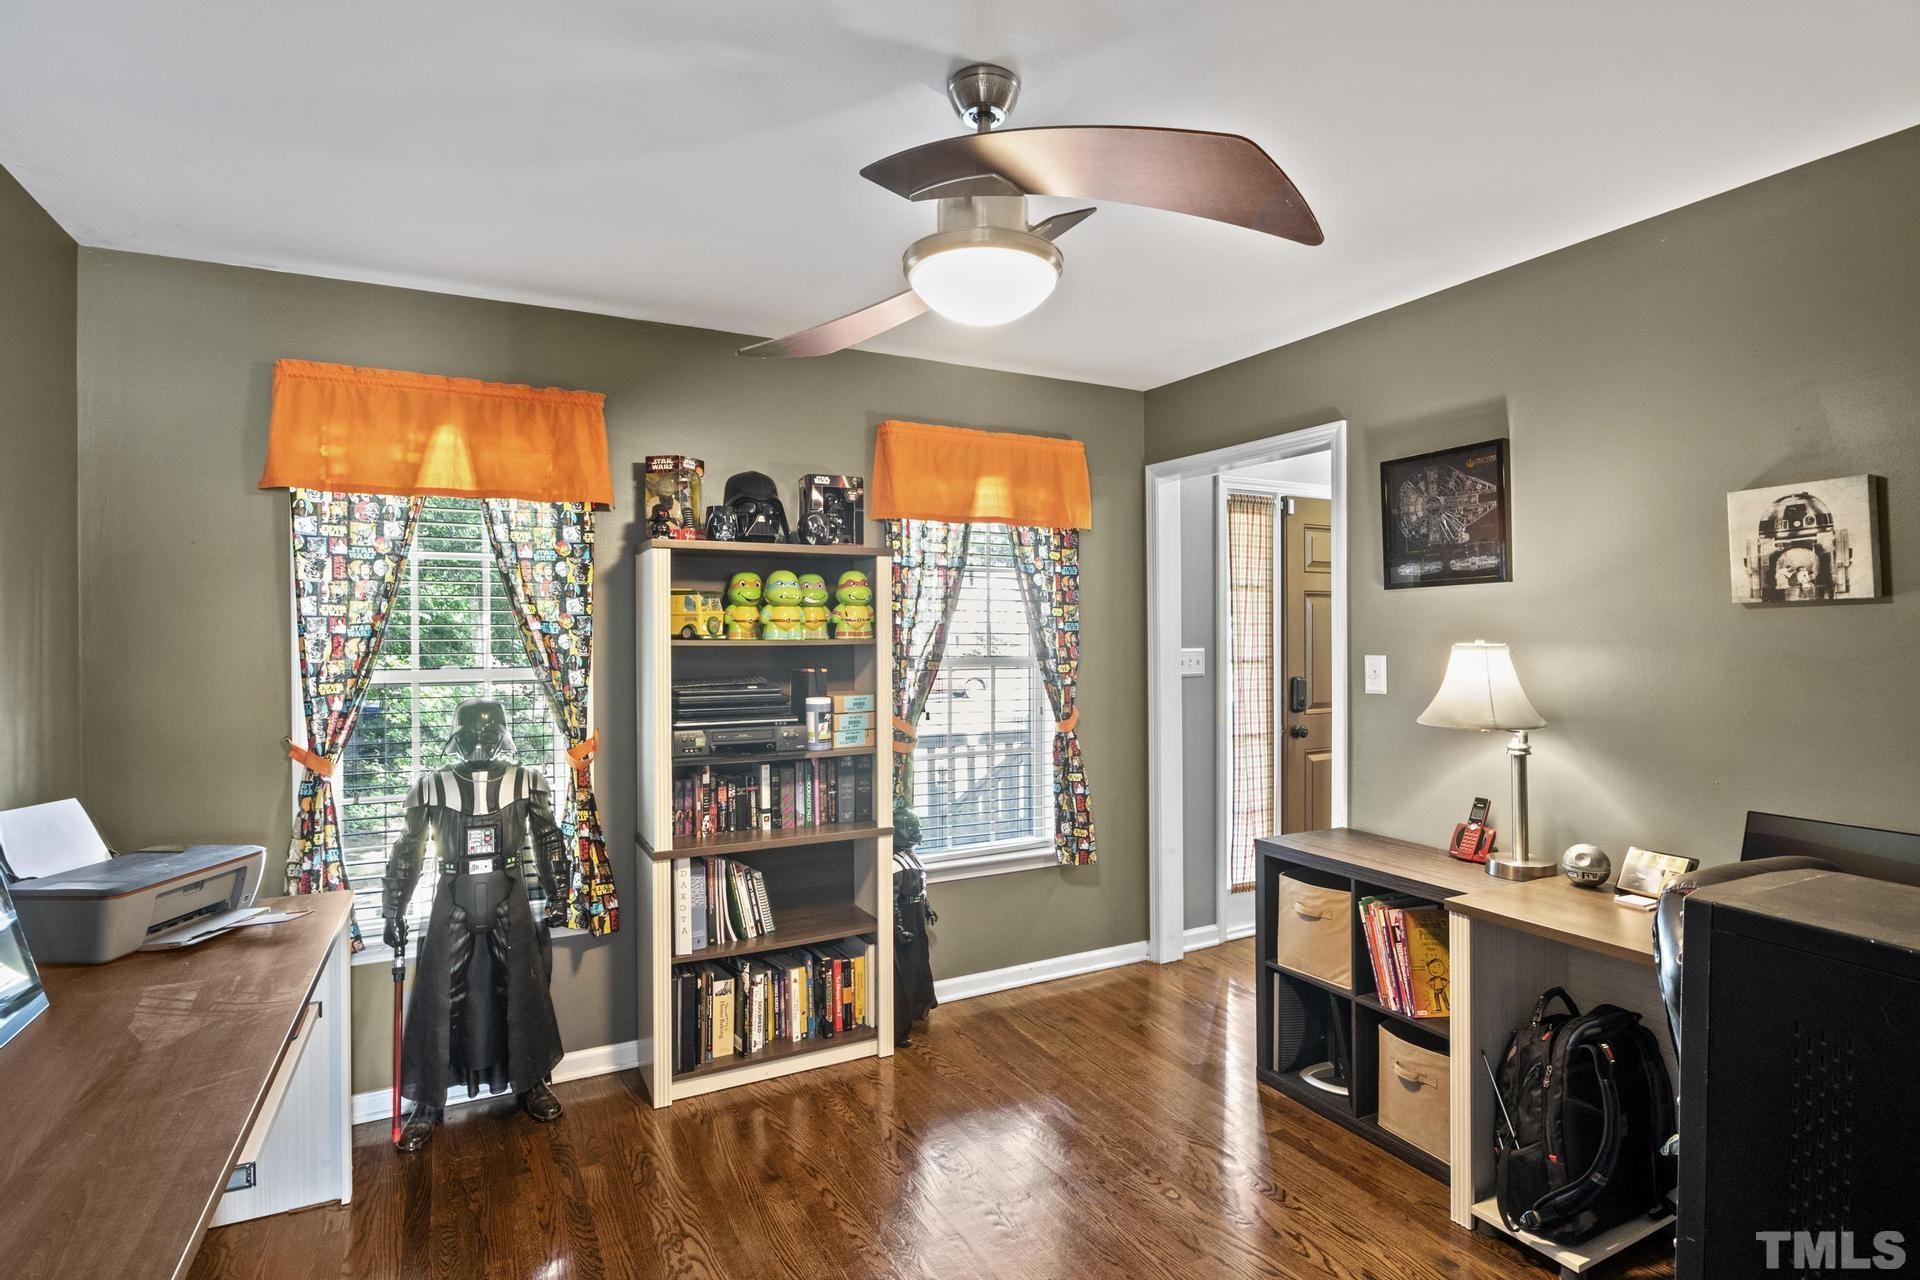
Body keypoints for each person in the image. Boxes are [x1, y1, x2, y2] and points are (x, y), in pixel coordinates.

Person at [382, 698, 568, 1151]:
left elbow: (548, 841)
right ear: (458, 737)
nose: (482, 744)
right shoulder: (430, 787)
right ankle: (428, 1101)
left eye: (489, 735)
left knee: (523, 990)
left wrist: (560, 894)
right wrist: (393, 909)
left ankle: (531, 1084)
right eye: (474, 735)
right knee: (438, 996)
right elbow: (409, 851)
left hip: (510, 886)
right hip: (452, 891)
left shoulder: (528, 781)